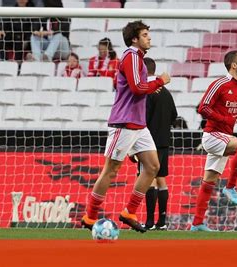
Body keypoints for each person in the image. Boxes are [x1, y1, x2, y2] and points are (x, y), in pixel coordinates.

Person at [81, 20, 171, 233]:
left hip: (139, 124)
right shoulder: (130, 56)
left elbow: (140, 88)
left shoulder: (138, 59)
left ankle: (129, 212)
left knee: (152, 166)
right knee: (111, 170)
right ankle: (90, 216)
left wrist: (151, 86)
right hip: (124, 123)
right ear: (134, 38)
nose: (149, 38)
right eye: (145, 35)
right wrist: (159, 81)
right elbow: (138, 88)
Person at [191, 50, 237, 232]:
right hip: (212, 135)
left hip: (223, 138)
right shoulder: (220, 84)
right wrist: (223, 119)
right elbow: (202, 108)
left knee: (208, 183)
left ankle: (197, 223)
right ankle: (230, 187)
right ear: (234, 65)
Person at [132, 57, 177, 231]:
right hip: (164, 141)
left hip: (147, 143)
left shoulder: (147, 92)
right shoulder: (166, 92)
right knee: (161, 179)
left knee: (148, 178)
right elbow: (174, 115)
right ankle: (162, 221)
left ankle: (149, 222)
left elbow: (140, 117)